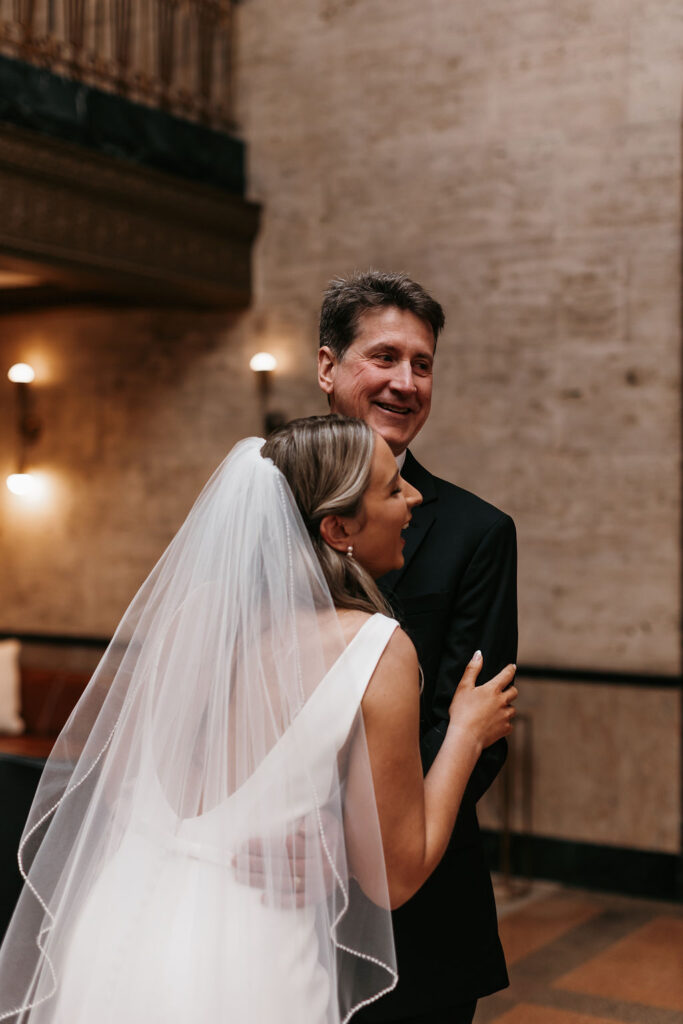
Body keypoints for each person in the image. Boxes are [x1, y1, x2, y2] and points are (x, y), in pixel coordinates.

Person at [0, 415, 516, 1024]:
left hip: (118, 927)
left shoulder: (194, 614)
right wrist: (464, 731)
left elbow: (119, 783)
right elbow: (394, 877)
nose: (414, 496)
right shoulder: (375, 647)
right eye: (391, 489)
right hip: (248, 952)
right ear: (338, 528)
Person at [317, 272, 518, 1024]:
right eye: (385, 357)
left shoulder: (475, 532)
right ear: (328, 367)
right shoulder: (259, 508)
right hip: (272, 891)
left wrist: (372, 846)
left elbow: (474, 726)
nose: (406, 382)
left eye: (423, 364)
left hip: (420, 912)